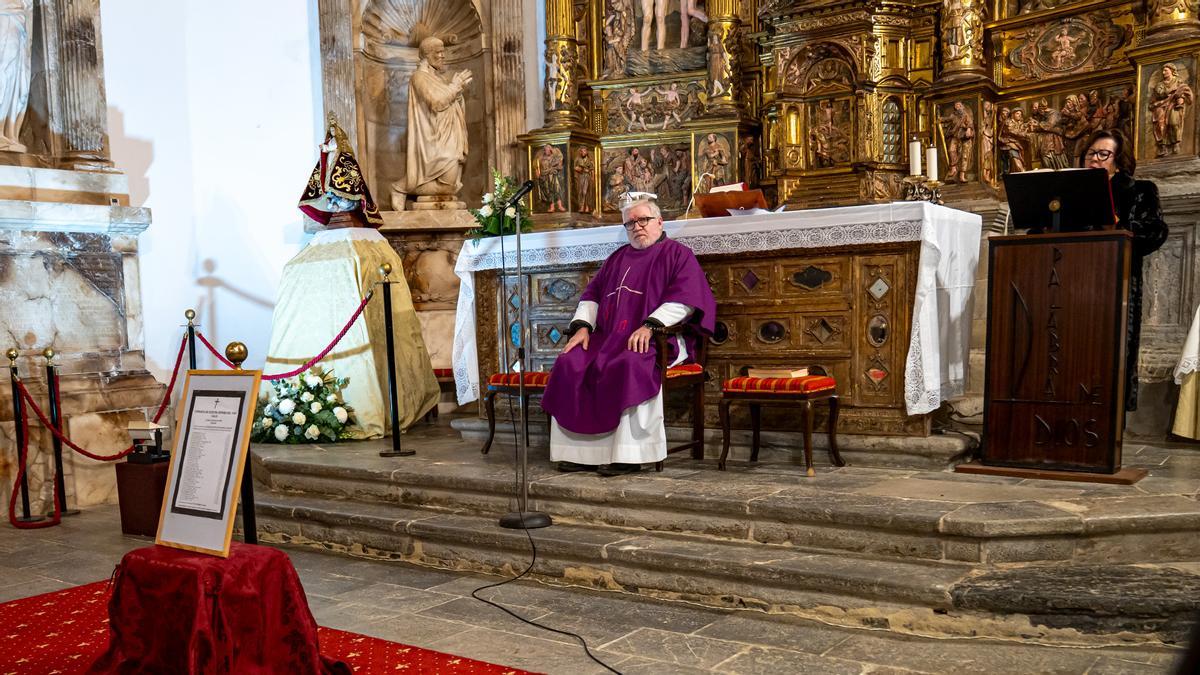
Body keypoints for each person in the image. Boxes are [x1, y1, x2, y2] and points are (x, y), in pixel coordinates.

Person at [541, 195, 716, 476]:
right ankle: (580, 454)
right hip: (609, 338)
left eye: (643, 220)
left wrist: (650, 326)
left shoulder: (677, 254)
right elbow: (592, 294)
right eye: (630, 223)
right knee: (570, 362)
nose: (637, 227)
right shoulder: (617, 258)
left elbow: (686, 299)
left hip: (657, 339)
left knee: (630, 364)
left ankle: (630, 455)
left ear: (659, 221)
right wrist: (583, 326)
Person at [1079, 129, 1168, 412]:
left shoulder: (1139, 190)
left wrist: (1119, 227)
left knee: (1109, 357)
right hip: (1070, 282)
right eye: (1090, 153)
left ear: (1118, 161)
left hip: (1114, 283)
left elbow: (1155, 231)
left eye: (1102, 154)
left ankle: (1107, 419)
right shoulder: (1068, 190)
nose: (1094, 159)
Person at [404, 37, 472, 199]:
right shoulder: (419, 77)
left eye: (443, 52)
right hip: (434, 141)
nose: (443, 56)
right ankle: (402, 188)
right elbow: (436, 102)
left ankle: (404, 187)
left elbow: (449, 102)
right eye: (438, 52)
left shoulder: (439, 79)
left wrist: (458, 92)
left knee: (452, 185)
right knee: (449, 187)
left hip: (449, 136)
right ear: (427, 55)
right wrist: (455, 86)